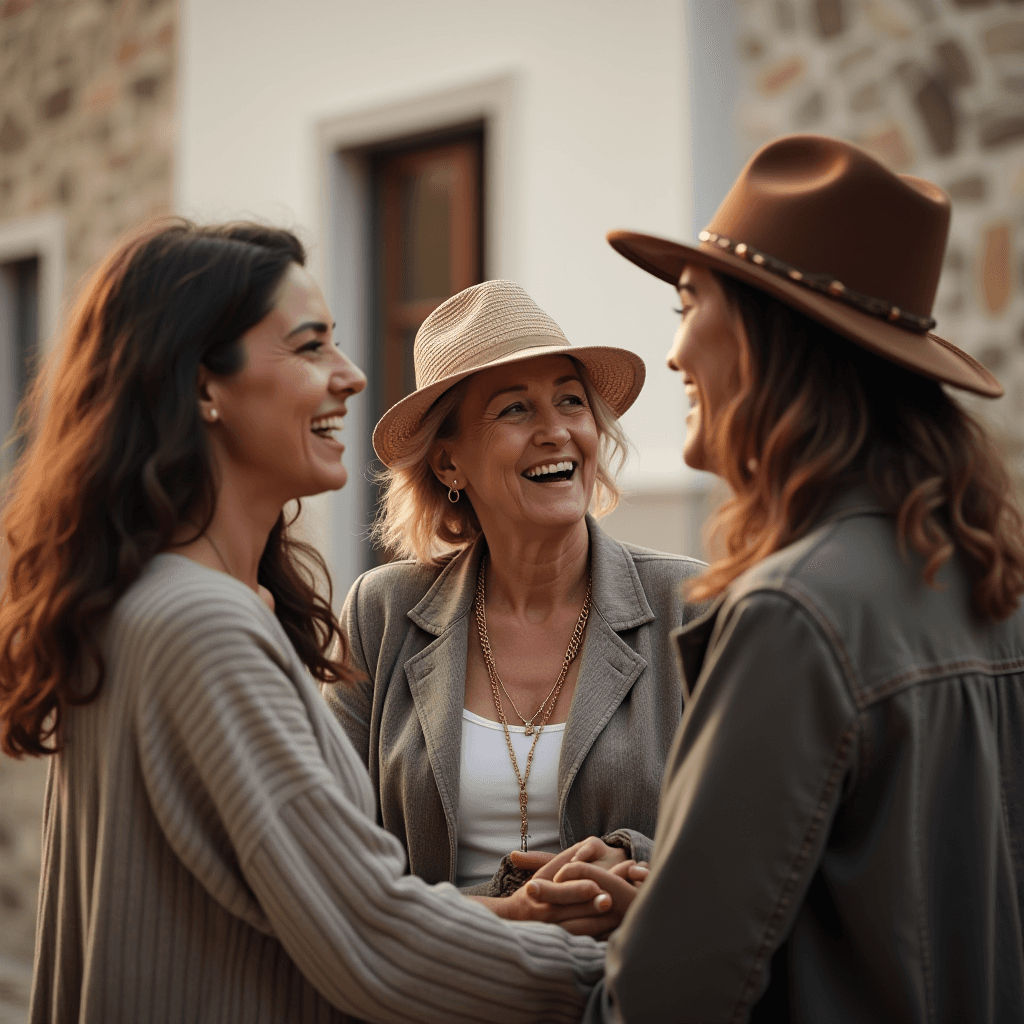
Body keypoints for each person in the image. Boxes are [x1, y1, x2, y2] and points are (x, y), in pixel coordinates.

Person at [0, 220, 616, 1024]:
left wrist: (523, 913)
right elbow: (371, 935)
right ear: (200, 386)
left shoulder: (159, 598)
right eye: (311, 346)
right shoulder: (204, 626)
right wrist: (620, 977)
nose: (352, 376)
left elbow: (320, 911)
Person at [587, 133, 1024, 1022]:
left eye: (686, 305)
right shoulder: (987, 580)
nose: (672, 356)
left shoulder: (795, 612)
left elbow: (670, 995)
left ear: (765, 336)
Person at [324, 278, 704, 933]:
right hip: (443, 996)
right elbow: (333, 862)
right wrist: (507, 912)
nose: (556, 431)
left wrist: (631, 861)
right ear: (449, 463)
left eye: (570, 402)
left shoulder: (692, 607)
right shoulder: (379, 614)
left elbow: (748, 836)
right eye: (515, 410)